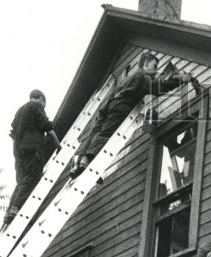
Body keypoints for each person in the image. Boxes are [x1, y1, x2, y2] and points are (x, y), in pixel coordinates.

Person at [70, 51, 200, 177]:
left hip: (108, 106)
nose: (156, 71)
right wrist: (180, 80)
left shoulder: (128, 78)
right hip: (120, 107)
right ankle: (87, 160)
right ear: (146, 64)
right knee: (106, 136)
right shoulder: (142, 76)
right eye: (154, 66)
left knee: (94, 135)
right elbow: (159, 88)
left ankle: (80, 161)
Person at [3, 90, 61, 227]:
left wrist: (18, 151)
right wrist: (58, 145)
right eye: (44, 104)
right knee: (33, 177)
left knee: (22, 181)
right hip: (32, 147)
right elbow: (47, 127)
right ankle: (16, 208)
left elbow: (13, 132)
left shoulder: (20, 110)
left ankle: (9, 212)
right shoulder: (36, 106)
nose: (44, 107)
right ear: (41, 99)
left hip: (19, 150)